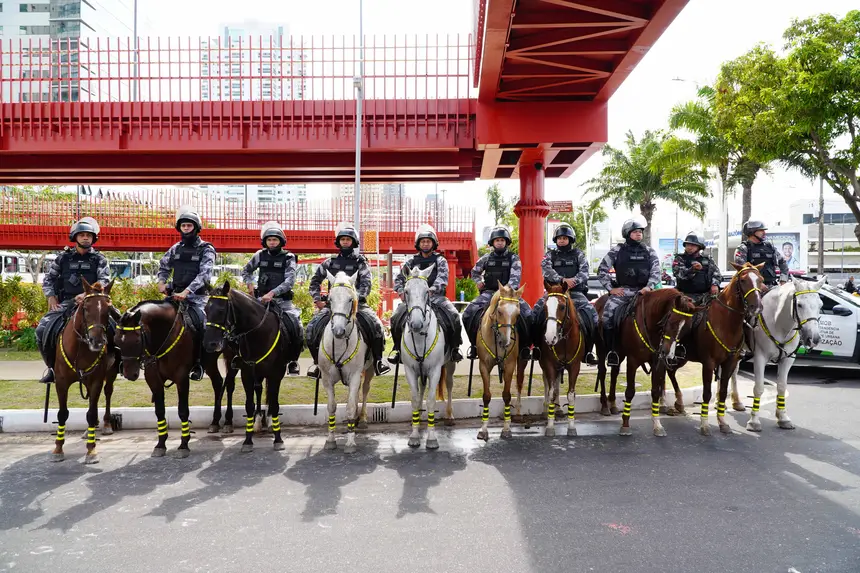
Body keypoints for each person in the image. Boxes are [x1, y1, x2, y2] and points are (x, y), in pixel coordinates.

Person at [305, 224, 391, 378]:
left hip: (357, 305)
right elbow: (314, 281)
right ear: (339, 242)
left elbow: (366, 283)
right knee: (311, 328)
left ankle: (378, 360)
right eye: (343, 239)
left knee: (377, 326)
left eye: (348, 239)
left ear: (353, 242)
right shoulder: (329, 263)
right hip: (333, 306)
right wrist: (317, 300)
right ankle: (316, 364)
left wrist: (355, 299)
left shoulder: (361, 262)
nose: (345, 242)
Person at [35, 217, 110, 384]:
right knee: (41, 330)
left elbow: (104, 280)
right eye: (82, 235)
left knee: (116, 326)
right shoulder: (63, 258)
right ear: (75, 237)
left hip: (93, 302)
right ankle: (52, 368)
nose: (85, 238)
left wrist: (87, 294)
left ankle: (114, 365)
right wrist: (51, 296)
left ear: (93, 238)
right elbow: (49, 279)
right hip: (67, 303)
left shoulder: (100, 259)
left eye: (89, 235)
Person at [388, 224, 464, 364]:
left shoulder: (440, 260)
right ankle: (398, 349)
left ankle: (454, 348)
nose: (425, 244)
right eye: (422, 241)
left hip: (436, 297)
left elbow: (443, 278)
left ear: (433, 243)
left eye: (428, 241)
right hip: (414, 300)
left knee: (453, 315)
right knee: (395, 316)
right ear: (418, 243)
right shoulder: (411, 261)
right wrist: (401, 292)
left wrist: (432, 290)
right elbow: (399, 279)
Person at [156, 207, 216, 381]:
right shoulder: (176, 248)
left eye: (189, 225)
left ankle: (199, 363)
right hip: (174, 296)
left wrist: (187, 292)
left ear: (196, 228)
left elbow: (205, 274)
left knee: (203, 327)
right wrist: (161, 283)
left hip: (197, 299)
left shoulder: (206, 249)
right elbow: (164, 266)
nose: (186, 228)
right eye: (183, 226)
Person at [597, 215, 661, 367]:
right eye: (634, 232)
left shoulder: (649, 251)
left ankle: (662, 351)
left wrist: (649, 287)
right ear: (627, 233)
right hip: (623, 292)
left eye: (640, 231)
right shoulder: (617, 250)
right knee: (606, 317)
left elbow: (656, 272)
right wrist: (611, 289)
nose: (638, 234)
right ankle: (612, 350)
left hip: (645, 292)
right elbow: (602, 270)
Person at [241, 221, 304, 376]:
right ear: (265, 241)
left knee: (297, 326)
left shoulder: (289, 257)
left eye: (275, 239)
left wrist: (272, 293)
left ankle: (293, 361)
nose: (272, 242)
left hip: (282, 302)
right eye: (269, 240)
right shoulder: (259, 255)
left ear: (281, 241)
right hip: (260, 302)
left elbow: (290, 280)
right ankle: (239, 356)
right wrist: (249, 284)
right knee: (240, 323)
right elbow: (246, 270)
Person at [462, 225, 532, 359]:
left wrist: (504, 291)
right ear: (492, 243)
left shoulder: (514, 258)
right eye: (497, 240)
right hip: (488, 293)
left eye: (502, 240)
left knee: (528, 315)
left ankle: (524, 347)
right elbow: (474, 272)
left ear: (506, 242)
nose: (499, 242)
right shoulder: (486, 259)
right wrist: (478, 282)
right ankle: (474, 346)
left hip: (509, 296)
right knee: (467, 313)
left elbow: (515, 279)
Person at [532, 223, 598, 364]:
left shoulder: (579, 254)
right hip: (554, 293)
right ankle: (537, 347)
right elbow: (546, 269)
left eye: (565, 238)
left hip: (576, 293)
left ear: (570, 240)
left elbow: (585, 271)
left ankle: (588, 352)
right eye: (560, 238)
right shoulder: (549, 255)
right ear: (556, 240)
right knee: (535, 312)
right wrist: (561, 280)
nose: (562, 240)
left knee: (592, 316)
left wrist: (573, 281)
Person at [733, 220, 789, 287]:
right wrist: (758, 284)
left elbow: (782, 263)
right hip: (752, 290)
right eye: (761, 230)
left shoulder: (769, 247)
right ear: (752, 232)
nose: (764, 233)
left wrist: (783, 280)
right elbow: (742, 270)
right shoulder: (743, 248)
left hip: (772, 287)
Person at [672, 233, 720, 305]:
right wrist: (692, 270)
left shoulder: (707, 259)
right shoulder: (679, 258)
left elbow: (717, 274)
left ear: (699, 247)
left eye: (693, 245)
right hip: (685, 296)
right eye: (687, 245)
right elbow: (679, 274)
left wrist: (715, 284)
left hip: (706, 296)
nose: (689, 247)